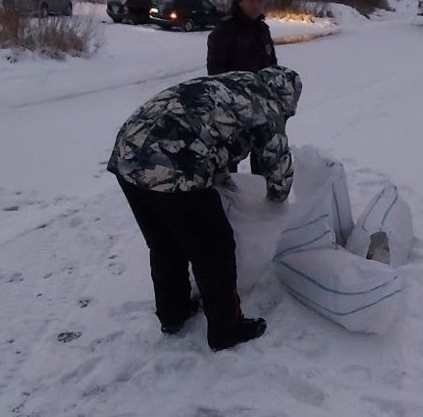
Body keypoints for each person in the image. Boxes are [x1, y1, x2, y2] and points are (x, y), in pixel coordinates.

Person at [107, 66, 302, 351]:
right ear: (287, 97)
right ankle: (227, 329)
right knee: (215, 250)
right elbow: (277, 163)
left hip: (128, 155)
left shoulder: (232, 83)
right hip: (174, 166)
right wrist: (277, 203)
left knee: (165, 244)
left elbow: (208, 130)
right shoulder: (267, 104)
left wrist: (223, 179)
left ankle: (172, 314)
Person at [207, 0, 278, 174]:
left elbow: (271, 64)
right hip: (232, 107)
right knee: (229, 159)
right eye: (252, 0)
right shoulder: (225, 30)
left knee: (262, 155)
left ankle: (261, 194)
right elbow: (215, 72)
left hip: (260, 104)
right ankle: (230, 200)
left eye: (259, 1)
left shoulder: (263, 29)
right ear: (240, 2)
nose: (256, 5)